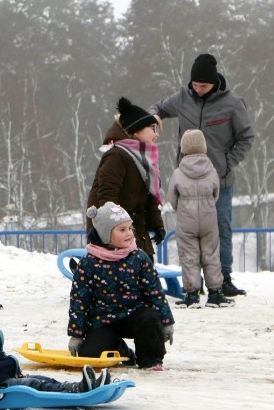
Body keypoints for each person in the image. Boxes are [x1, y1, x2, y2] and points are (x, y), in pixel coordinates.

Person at [149, 53, 254, 297]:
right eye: (194, 84)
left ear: (214, 82)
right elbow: (158, 108)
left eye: (203, 85)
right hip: (186, 182)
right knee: (188, 234)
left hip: (220, 181)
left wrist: (227, 163)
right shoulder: (182, 98)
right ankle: (193, 285)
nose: (197, 89)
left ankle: (223, 278)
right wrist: (154, 116)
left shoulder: (232, 103)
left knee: (221, 228)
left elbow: (246, 137)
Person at [0, 267, 110, 401]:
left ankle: (78, 387)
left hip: (5, 376)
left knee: (40, 379)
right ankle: (76, 391)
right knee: (35, 385)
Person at [68, 202, 175, 371]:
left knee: (150, 317)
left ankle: (151, 360)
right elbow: (79, 300)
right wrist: (76, 334)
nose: (129, 234)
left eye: (130, 228)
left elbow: (155, 292)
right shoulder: (89, 262)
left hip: (135, 316)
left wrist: (167, 322)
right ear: (105, 234)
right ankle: (120, 349)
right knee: (90, 357)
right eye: (122, 230)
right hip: (103, 320)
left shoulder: (138, 258)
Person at [87, 96, 165, 260]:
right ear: (136, 131)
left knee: (146, 275)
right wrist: (112, 231)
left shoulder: (144, 160)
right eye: (152, 128)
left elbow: (149, 196)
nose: (156, 134)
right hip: (117, 235)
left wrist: (157, 225)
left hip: (135, 230)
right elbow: (106, 195)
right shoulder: (117, 155)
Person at [167, 130, 235, 309]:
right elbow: (216, 194)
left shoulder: (178, 173)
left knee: (189, 256)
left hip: (186, 220)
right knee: (212, 255)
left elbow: (172, 199)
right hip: (208, 219)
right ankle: (215, 294)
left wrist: (181, 207)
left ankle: (192, 294)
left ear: (183, 149)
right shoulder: (211, 171)